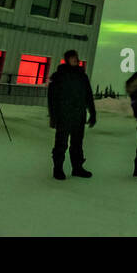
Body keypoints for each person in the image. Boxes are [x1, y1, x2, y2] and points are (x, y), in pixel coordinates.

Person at [47, 50, 95, 179]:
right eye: (72, 58)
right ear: (67, 59)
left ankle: (77, 168)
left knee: (77, 143)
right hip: (63, 115)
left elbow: (88, 95)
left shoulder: (82, 76)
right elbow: (52, 98)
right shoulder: (58, 76)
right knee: (61, 143)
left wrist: (93, 112)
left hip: (79, 115)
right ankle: (58, 169)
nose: (75, 60)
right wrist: (53, 116)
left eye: (76, 57)